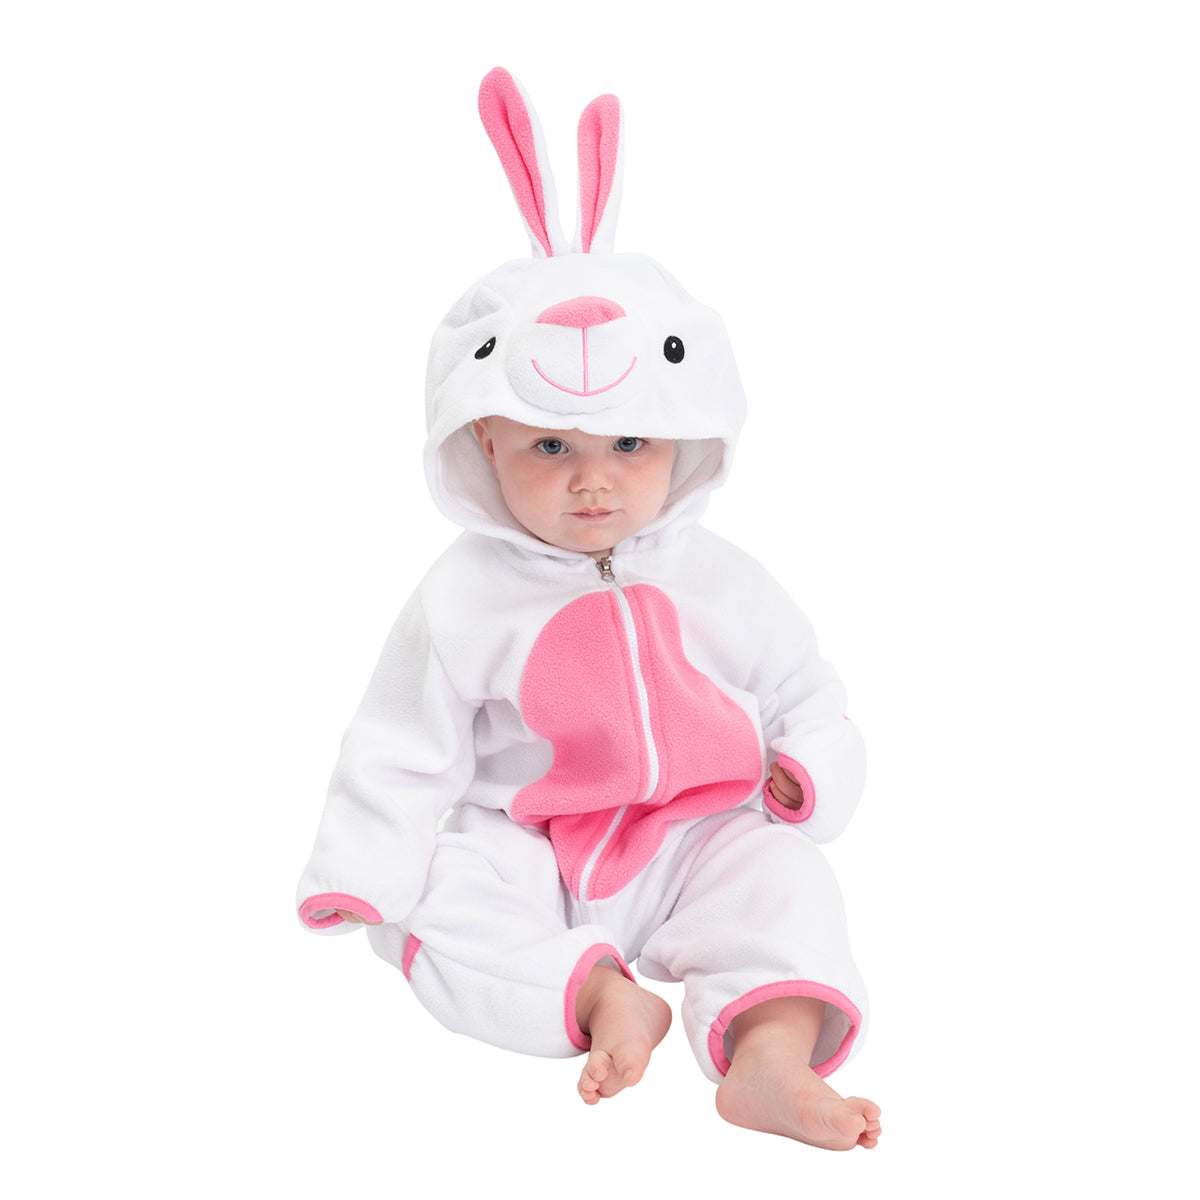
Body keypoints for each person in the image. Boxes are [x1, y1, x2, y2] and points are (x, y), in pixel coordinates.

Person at [296, 68, 881, 1151]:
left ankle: (770, 1056)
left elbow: (806, 689)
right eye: (551, 446)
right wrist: (361, 869)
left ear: (685, 434)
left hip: (699, 835)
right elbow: (399, 744)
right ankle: (602, 994)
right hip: (532, 850)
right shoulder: (462, 597)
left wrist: (808, 768)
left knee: (789, 883)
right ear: (484, 439)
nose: (593, 481)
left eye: (630, 444)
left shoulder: (722, 578)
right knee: (428, 904)